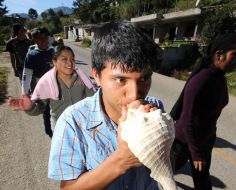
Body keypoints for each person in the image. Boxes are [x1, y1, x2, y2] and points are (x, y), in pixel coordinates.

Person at [48, 21, 165, 190]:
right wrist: (121, 160)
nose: (134, 94)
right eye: (120, 80)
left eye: (144, 78)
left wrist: (163, 138)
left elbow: (167, 165)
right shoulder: (73, 122)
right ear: (96, 75)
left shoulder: (155, 107)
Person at [170, 33, 236, 190]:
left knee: (203, 184)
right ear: (219, 56)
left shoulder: (220, 78)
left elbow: (211, 116)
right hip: (183, 143)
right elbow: (186, 120)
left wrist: (208, 141)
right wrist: (196, 153)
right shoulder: (200, 80)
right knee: (164, 177)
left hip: (203, 142)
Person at [8, 45, 96, 132]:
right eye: (64, 59)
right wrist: (30, 107)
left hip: (83, 126)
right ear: (54, 62)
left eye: (72, 59)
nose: (70, 63)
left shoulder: (82, 78)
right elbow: (39, 107)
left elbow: (93, 101)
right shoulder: (47, 81)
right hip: (61, 128)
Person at [22, 27, 55, 137]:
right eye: (40, 38)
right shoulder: (31, 55)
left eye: (45, 37)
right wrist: (25, 92)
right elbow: (27, 75)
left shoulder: (53, 51)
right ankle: (49, 131)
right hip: (41, 89)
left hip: (55, 86)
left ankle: (59, 130)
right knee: (45, 111)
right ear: (34, 40)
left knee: (57, 108)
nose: (43, 40)